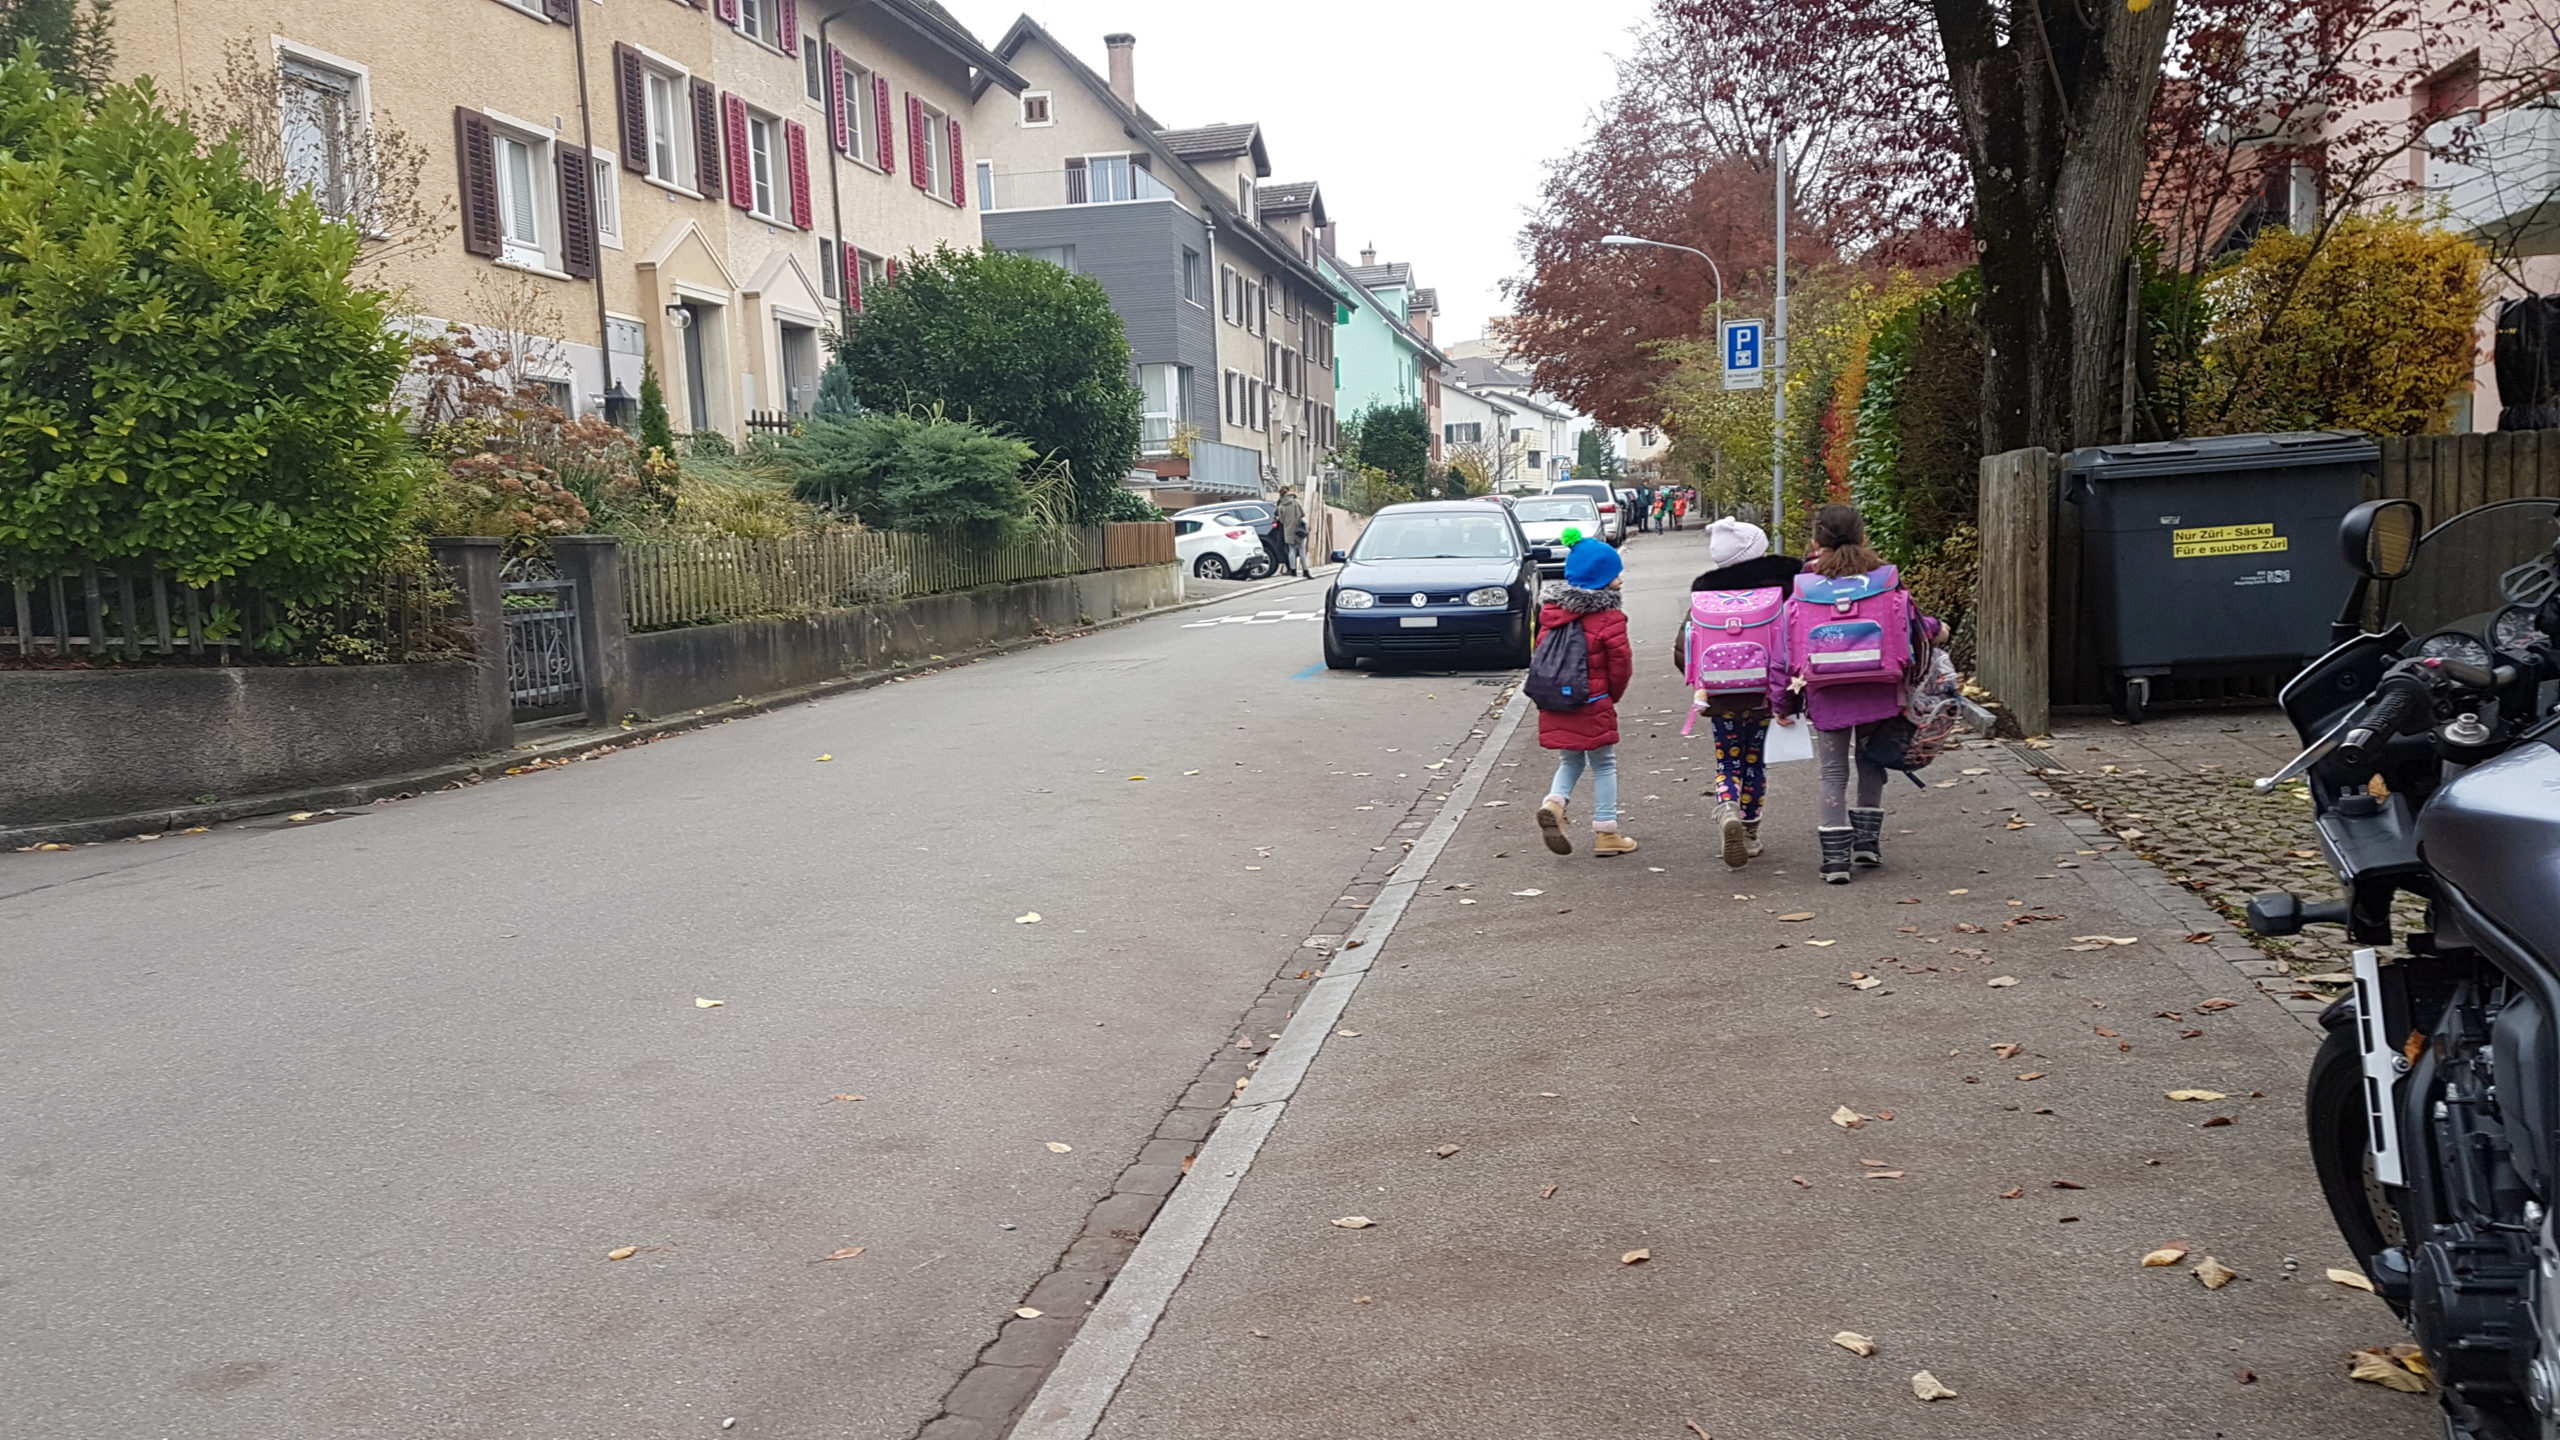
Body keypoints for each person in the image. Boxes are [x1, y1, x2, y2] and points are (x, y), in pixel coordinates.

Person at [1785, 503, 1913, 883]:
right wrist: (1939, 631)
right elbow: (1915, 624)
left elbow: (1784, 649)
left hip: (1827, 692)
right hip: (1878, 686)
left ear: (1815, 542)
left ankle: (1835, 861)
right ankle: (1867, 845)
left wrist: (1784, 701)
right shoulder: (1886, 579)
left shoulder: (1804, 588)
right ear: (1863, 537)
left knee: (1833, 771)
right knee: (1870, 762)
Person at [1685, 518, 1802, 866]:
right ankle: (1749, 833)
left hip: (1719, 696)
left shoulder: (1704, 590)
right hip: (1765, 693)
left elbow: (1686, 646)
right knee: (1755, 761)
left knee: (1727, 758)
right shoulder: (1785, 581)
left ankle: (1726, 806)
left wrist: (1699, 684)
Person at [1535, 538, 1637, 858]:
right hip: (1593, 700)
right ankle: (1606, 833)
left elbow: (1541, 655)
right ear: (1601, 578)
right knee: (1604, 764)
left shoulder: (1551, 614)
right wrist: (1612, 696)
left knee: (1570, 759)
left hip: (1558, 700)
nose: (1621, 578)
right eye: (1615, 573)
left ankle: (1554, 802)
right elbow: (1621, 666)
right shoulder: (1609, 618)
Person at [1257, 497, 1293, 577]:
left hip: (1281, 531)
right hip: (1289, 530)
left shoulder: (1280, 508)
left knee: (1284, 550)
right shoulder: (1292, 506)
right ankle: (1292, 568)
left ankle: (1290, 569)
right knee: (1288, 550)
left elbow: (1279, 519)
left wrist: (1277, 520)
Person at [1276, 489, 1308, 576]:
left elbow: (1281, 520)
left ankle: (1293, 570)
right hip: (1298, 528)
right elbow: (1303, 513)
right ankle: (1305, 570)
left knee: (1291, 550)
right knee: (1302, 550)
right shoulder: (1296, 501)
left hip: (1288, 529)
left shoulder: (1281, 505)